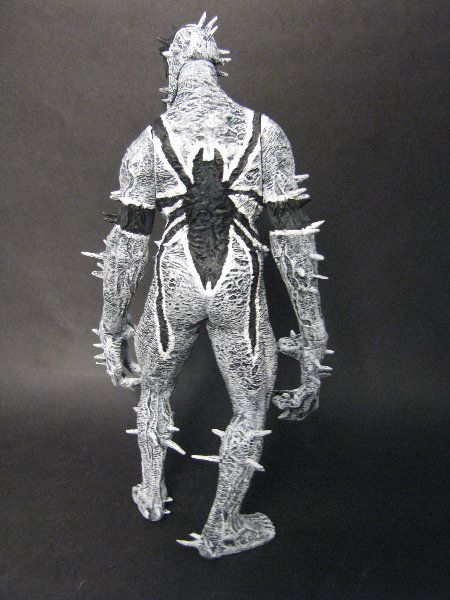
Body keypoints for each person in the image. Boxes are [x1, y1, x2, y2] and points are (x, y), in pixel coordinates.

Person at [84, 13, 331, 559]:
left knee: (155, 388)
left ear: (172, 70)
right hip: (237, 282)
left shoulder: (147, 143)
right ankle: (222, 525)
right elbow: (292, 239)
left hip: (175, 281)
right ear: (217, 66)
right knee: (250, 407)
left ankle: (152, 492)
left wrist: (110, 328)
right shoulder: (266, 134)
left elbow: (127, 245)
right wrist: (312, 334)